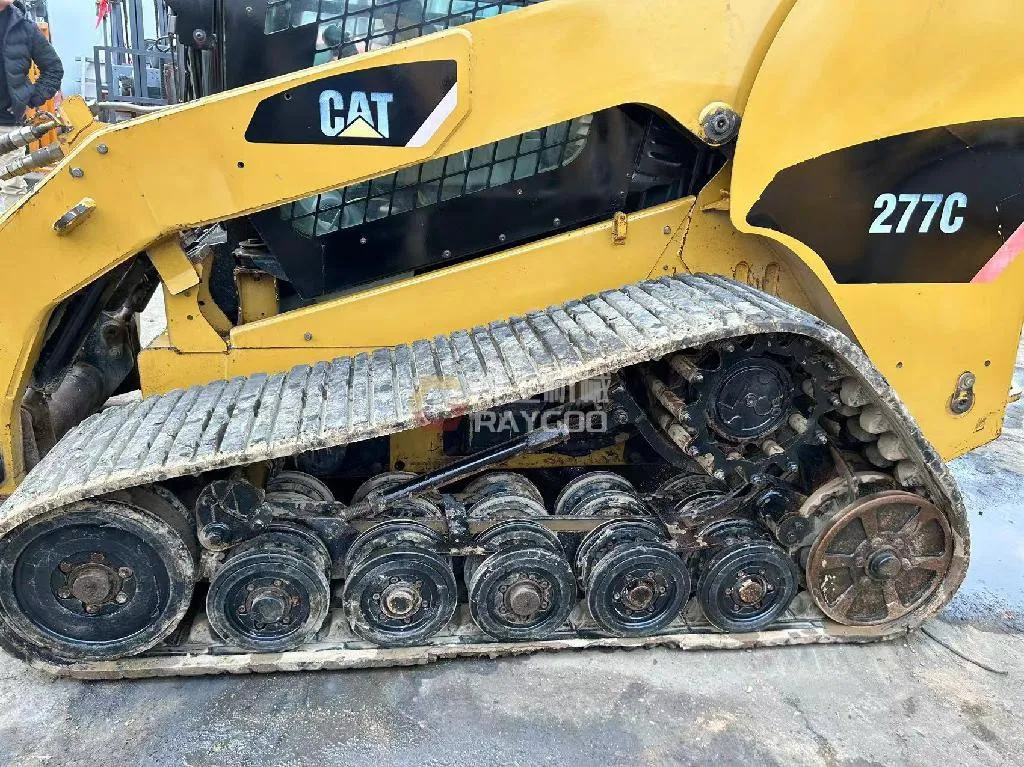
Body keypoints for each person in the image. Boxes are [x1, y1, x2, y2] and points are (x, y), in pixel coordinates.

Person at [0, 0, 62, 205]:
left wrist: (29, 100)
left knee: (11, 186)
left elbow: (53, 69)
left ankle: (12, 236)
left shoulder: (25, 28)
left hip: (8, 123)